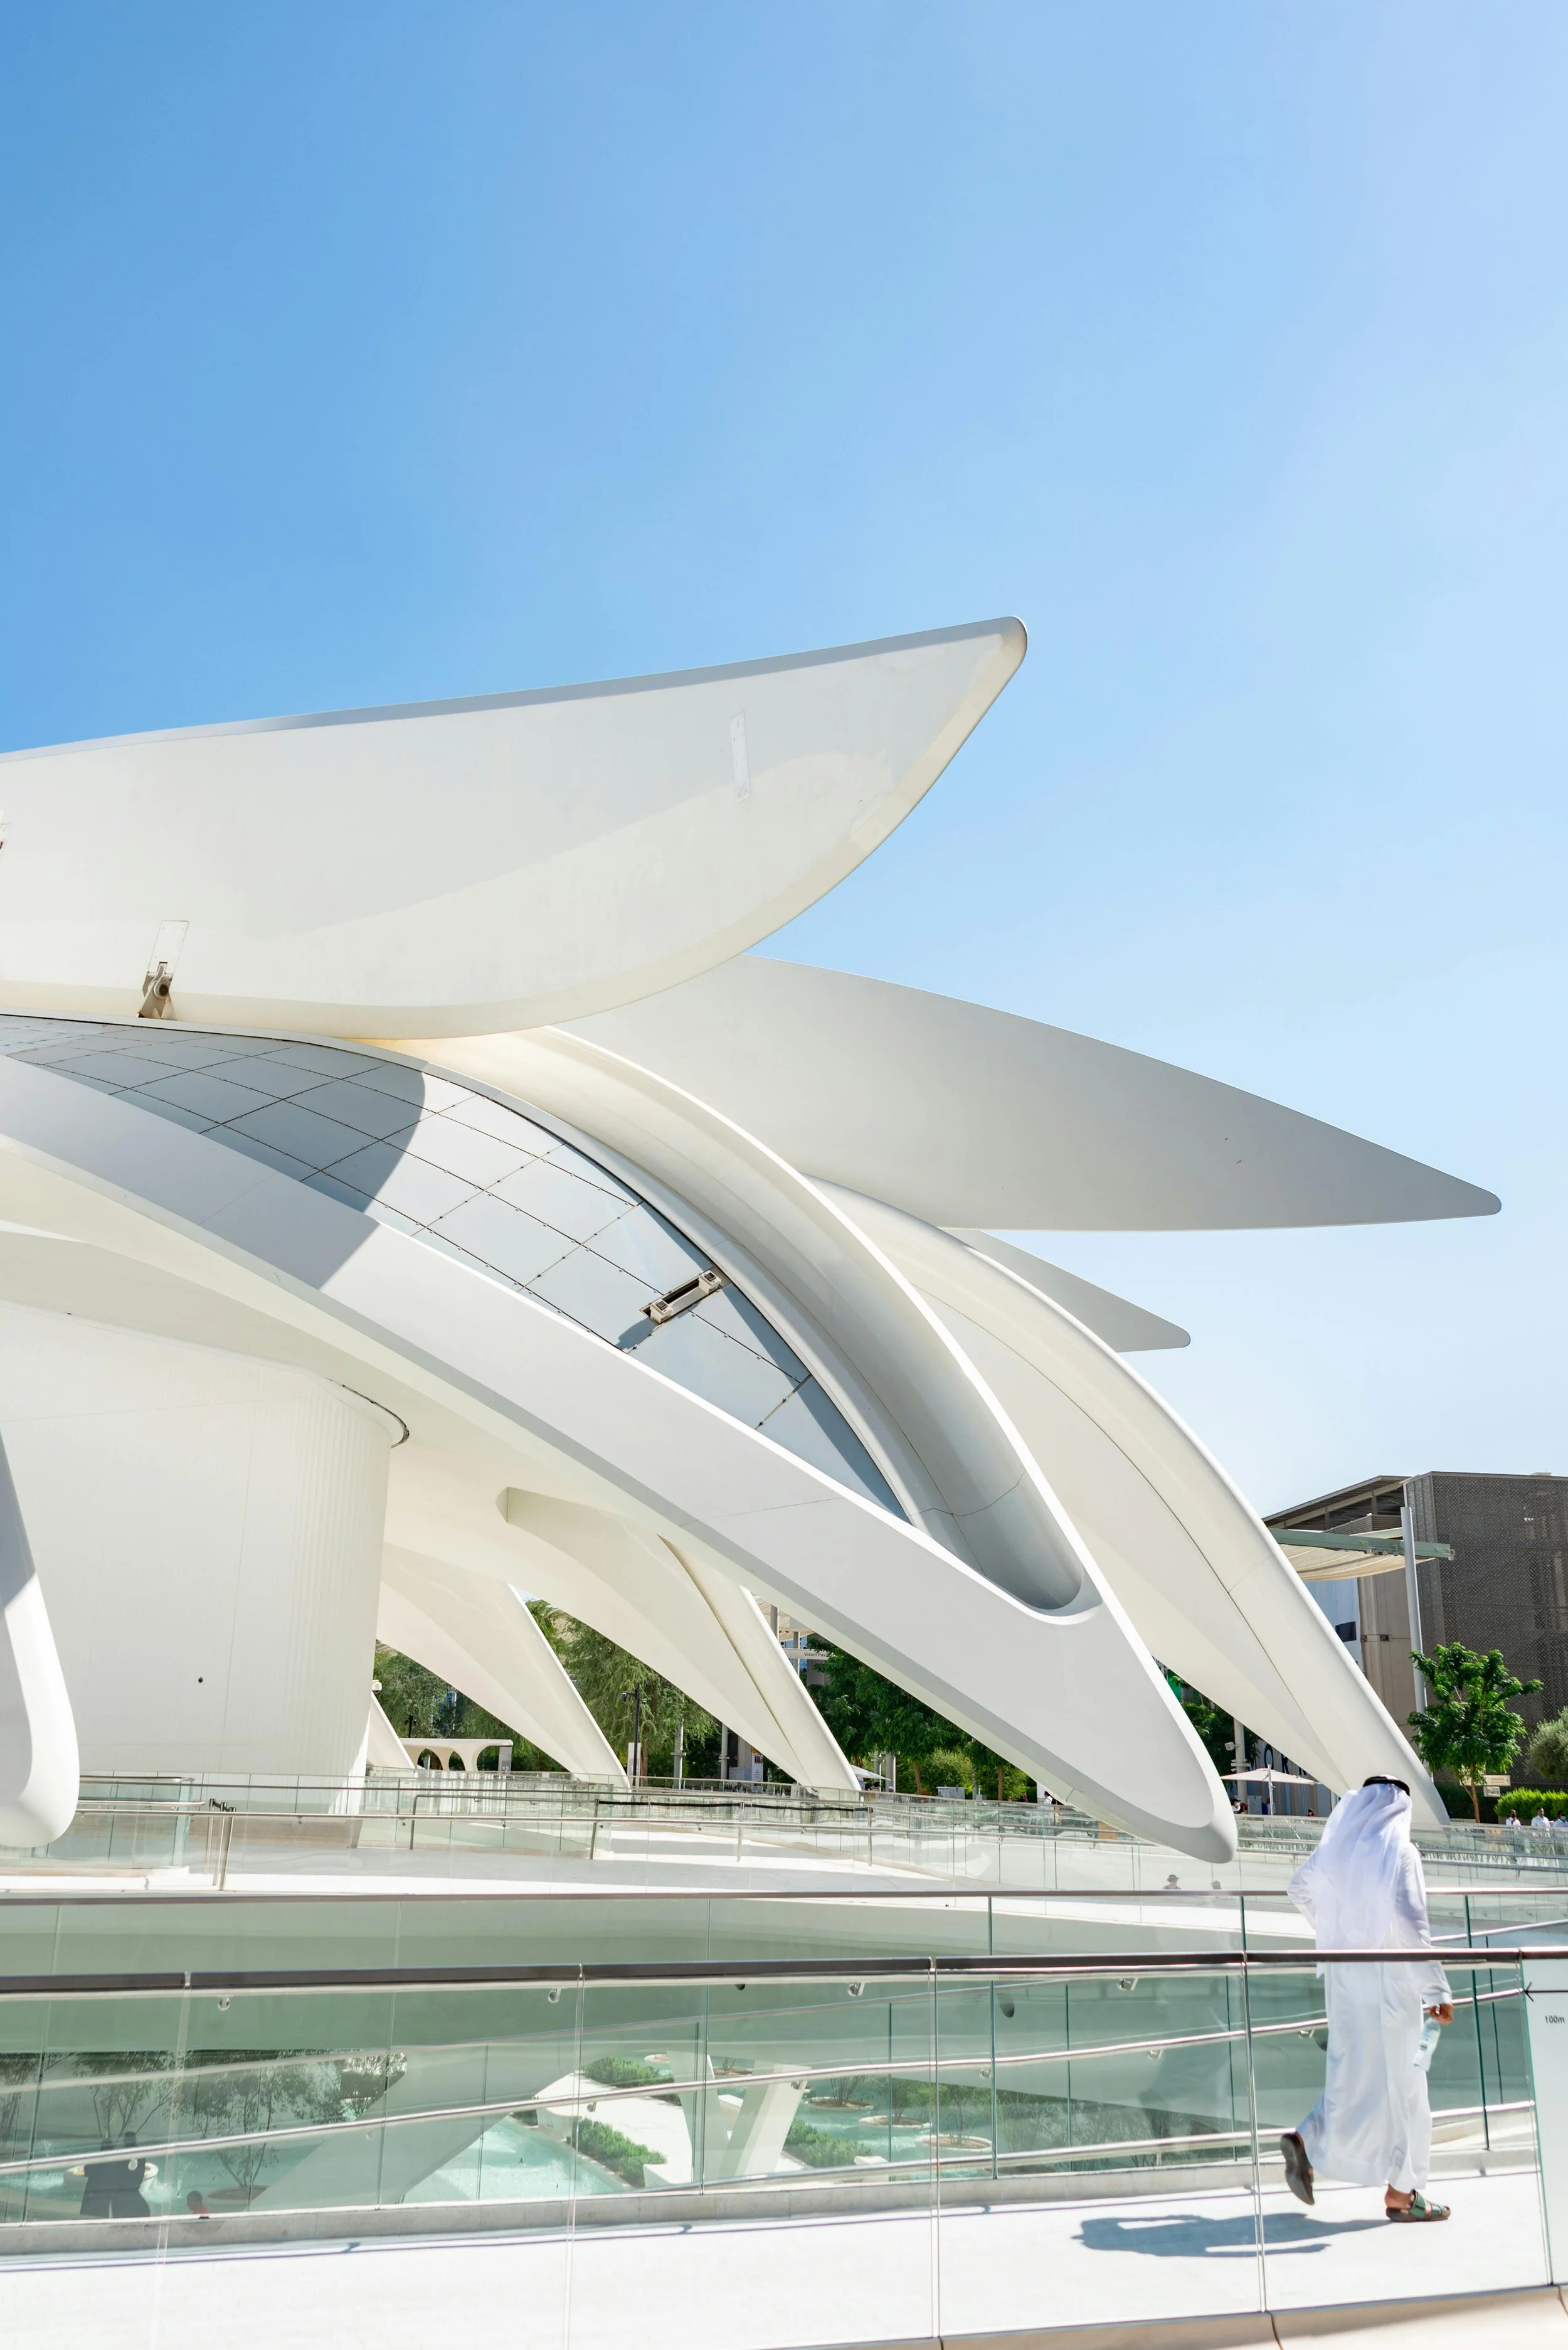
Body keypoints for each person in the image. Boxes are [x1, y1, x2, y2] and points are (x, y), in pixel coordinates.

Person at [1280, 1776, 1454, 2223]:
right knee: (1410, 2090)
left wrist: (1338, 1933)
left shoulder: (1335, 1853)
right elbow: (1413, 1924)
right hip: (1390, 1986)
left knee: (1350, 2074)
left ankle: (1307, 2139)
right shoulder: (1400, 1852)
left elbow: (1298, 1888)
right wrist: (1436, 1989)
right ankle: (1404, 2192)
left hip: (1343, 1979)